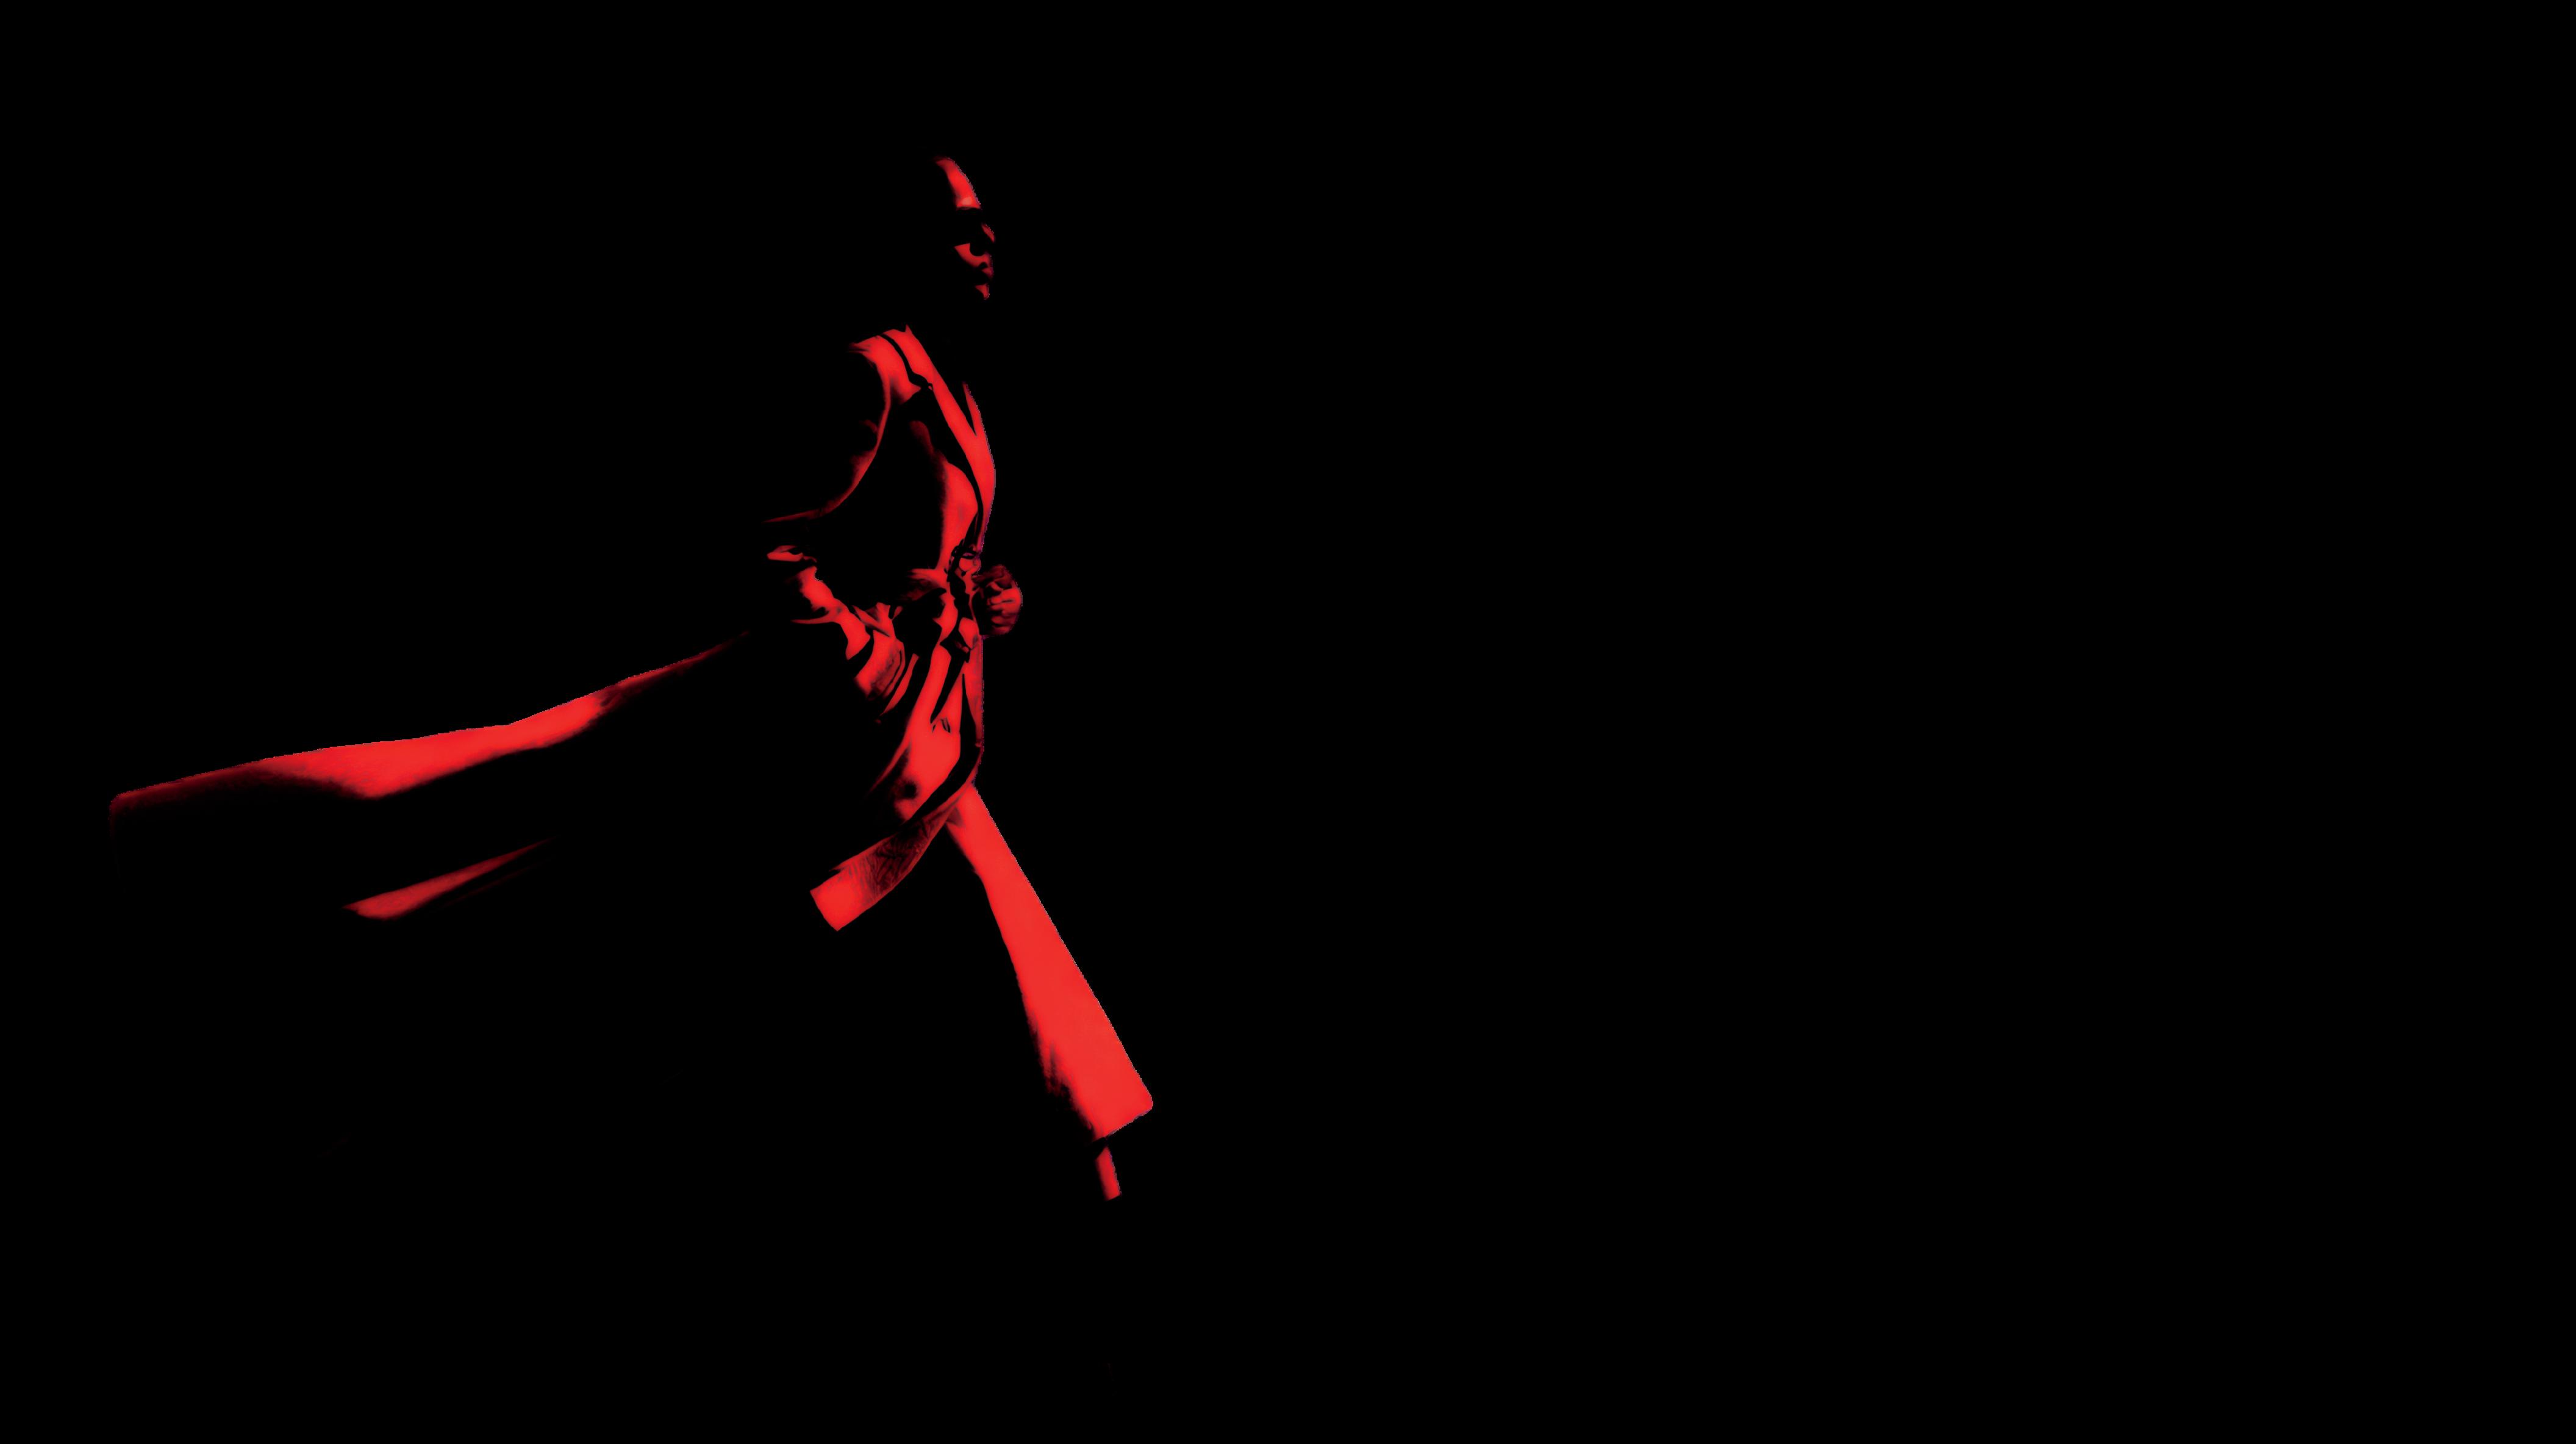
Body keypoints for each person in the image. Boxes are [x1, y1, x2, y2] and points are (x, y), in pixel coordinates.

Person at [103, 154, 1151, 1388]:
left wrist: (971, 604)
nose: (988, 246)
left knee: (783, 964)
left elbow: (934, 550)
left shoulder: (954, 386)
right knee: (577, 866)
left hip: (909, 750)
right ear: (903, 242)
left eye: (987, 227)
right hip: (823, 740)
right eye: (962, 227)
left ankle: (1077, 1177)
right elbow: (765, 550)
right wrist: (865, 651)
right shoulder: (871, 371)